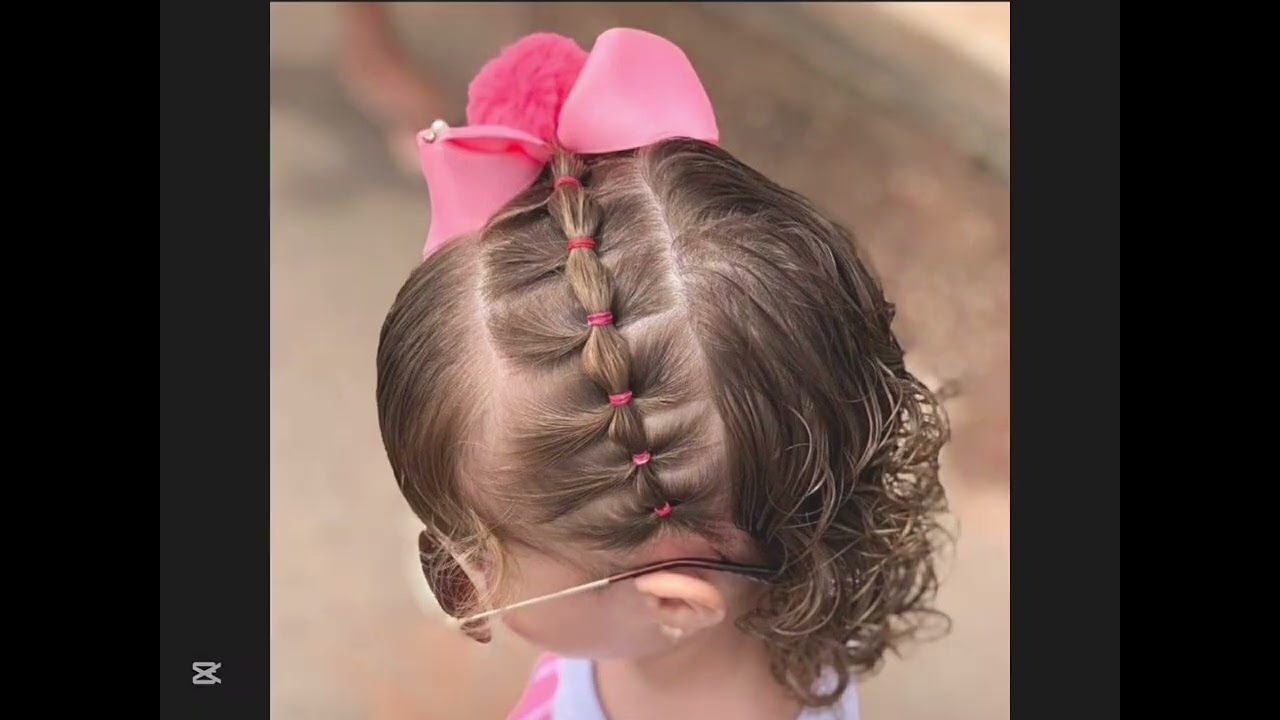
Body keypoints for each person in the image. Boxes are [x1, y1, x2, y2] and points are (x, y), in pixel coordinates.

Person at [375, 28, 950, 720]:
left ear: (672, 605)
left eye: (465, 572)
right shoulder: (758, 603)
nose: (462, 575)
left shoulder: (621, 631)